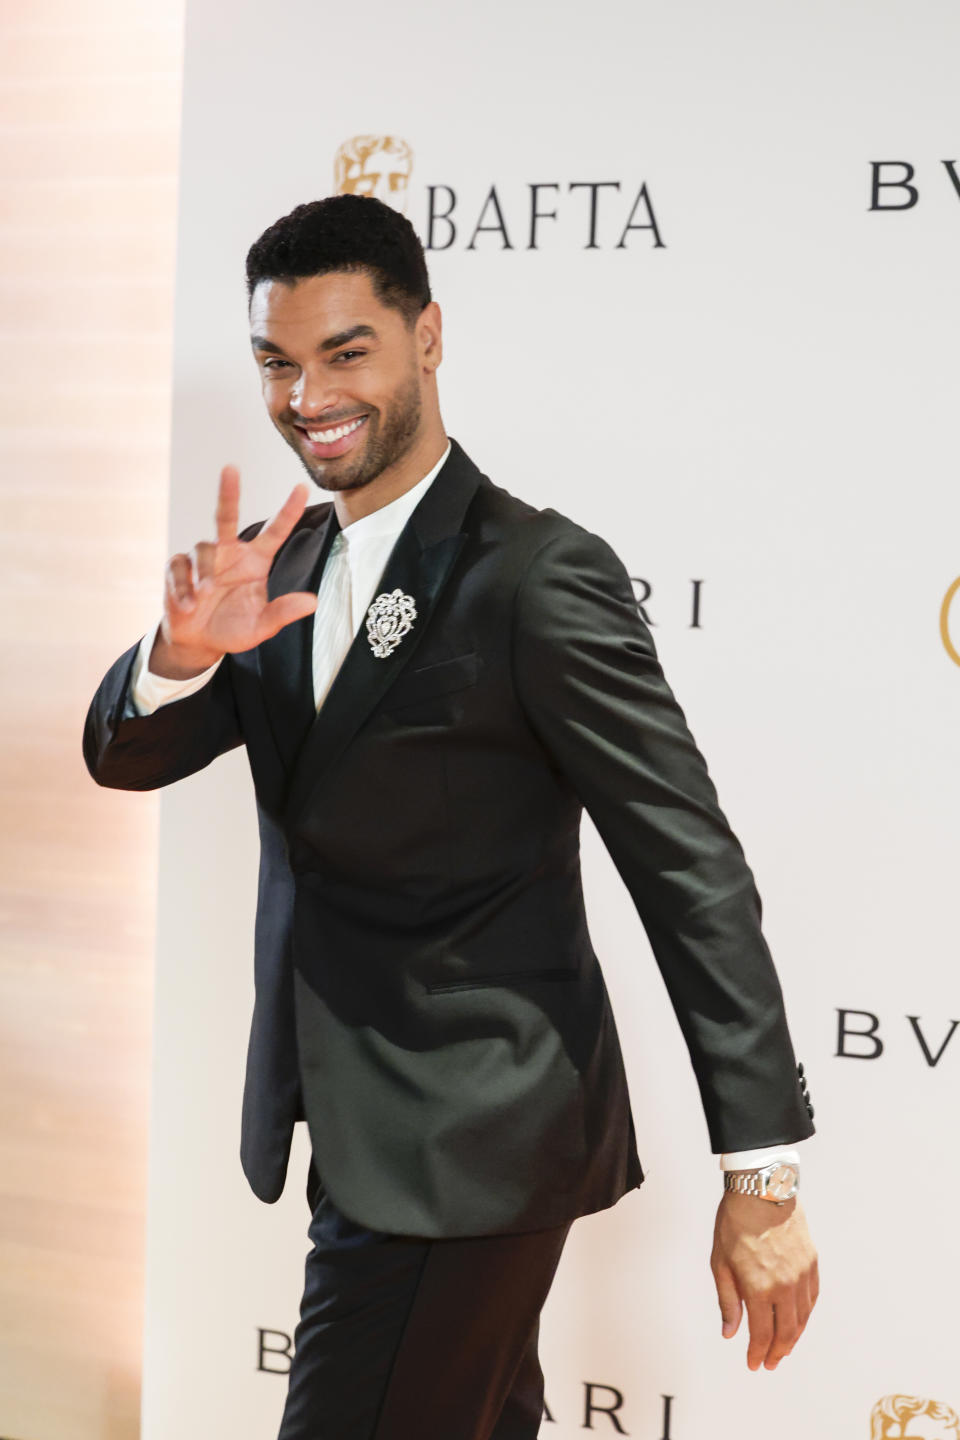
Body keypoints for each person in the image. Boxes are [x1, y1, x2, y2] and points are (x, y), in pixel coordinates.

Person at [84, 194, 818, 1440]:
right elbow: (128, 756)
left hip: (472, 1139)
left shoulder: (534, 574)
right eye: (278, 362)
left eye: (346, 352)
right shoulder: (288, 567)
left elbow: (689, 868)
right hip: (361, 1131)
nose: (305, 394)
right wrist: (180, 651)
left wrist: (763, 1173)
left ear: (428, 336)